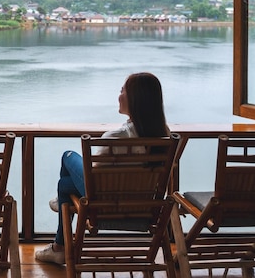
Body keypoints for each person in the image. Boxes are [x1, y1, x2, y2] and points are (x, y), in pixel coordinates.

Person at [35, 72, 170, 265]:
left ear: (135, 98)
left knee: (67, 158)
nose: (119, 95)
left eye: (122, 90)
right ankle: (58, 240)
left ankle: (60, 245)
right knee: (64, 184)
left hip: (102, 206)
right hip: (145, 205)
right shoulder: (165, 135)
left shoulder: (115, 137)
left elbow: (94, 178)